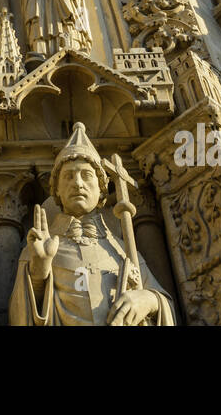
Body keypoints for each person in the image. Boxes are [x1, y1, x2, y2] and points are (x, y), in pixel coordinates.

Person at [10, 123, 176, 326]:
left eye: (86, 176)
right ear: (57, 191)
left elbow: (165, 303)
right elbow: (19, 317)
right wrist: (39, 271)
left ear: (101, 190)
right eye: (68, 176)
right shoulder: (38, 249)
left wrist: (148, 301)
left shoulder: (122, 249)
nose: (77, 183)